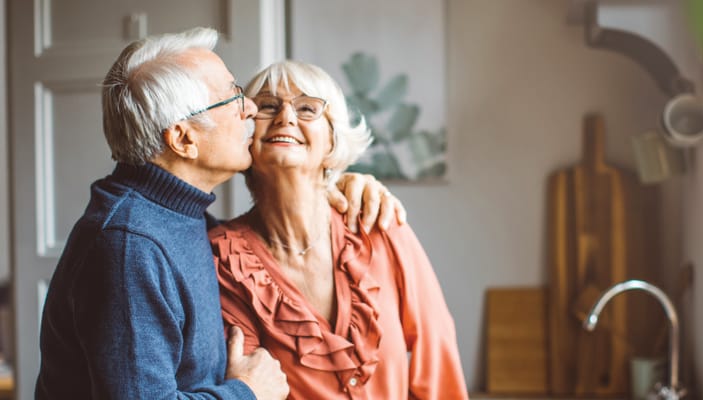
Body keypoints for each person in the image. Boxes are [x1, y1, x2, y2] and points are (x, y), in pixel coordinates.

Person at [36, 28, 404, 400]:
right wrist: (247, 393)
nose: (250, 109)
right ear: (184, 140)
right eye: (233, 97)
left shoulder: (176, 216)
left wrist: (336, 184)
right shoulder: (129, 247)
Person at [210, 60, 469, 399]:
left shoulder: (378, 223)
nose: (286, 117)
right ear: (246, 135)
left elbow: (436, 352)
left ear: (332, 139)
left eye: (307, 108)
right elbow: (253, 383)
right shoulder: (224, 259)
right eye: (268, 106)